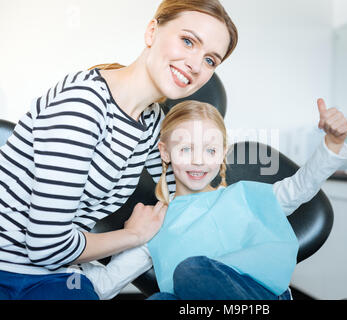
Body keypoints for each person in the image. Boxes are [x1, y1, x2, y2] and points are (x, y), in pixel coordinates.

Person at [0, 0, 238, 300]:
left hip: (58, 273)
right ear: (152, 32)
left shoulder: (152, 123)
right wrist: (133, 235)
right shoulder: (84, 106)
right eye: (188, 41)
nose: (195, 64)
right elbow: (45, 246)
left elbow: (185, 192)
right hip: (10, 268)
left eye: (210, 60)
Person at [81, 98, 347, 300]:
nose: (198, 159)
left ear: (222, 153)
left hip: (259, 299)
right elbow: (107, 282)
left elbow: (301, 187)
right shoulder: (154, 224)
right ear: (165, 152)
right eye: (186, 148)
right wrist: (52, 264)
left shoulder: (244, 197)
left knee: (190, 269)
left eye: (209, 150)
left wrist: (334, 144)